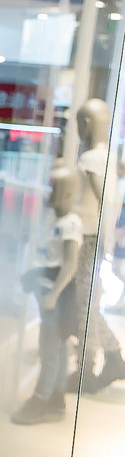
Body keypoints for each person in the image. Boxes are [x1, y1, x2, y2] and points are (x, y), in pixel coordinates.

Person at [12, 166, 81, 425]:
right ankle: (55, 398)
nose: (51, 194)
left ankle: (42, 398)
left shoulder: (71, 224)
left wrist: (53, 294)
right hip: (48, 289)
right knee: (57, 346)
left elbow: (69, 264)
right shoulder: (59, 221)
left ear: (69, 193)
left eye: (57, 189)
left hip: (56, 294)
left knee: (50, 348)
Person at [69, 98, 125, 392]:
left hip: (88, 240)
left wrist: (106, 244)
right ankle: (93, 363)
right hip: (95, 240)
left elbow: (106, 202)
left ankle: (99, 362)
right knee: (85, 305)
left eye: (80, 122)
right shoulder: (107, 157)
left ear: (88, 124)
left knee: (85, 306)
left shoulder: (92, 158)